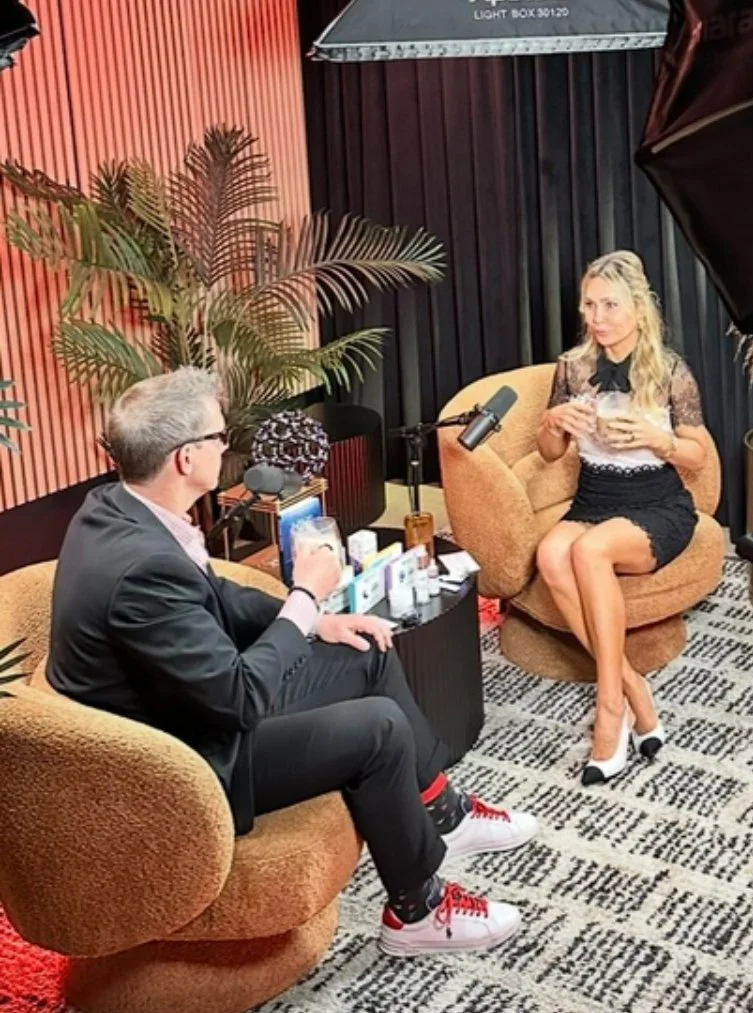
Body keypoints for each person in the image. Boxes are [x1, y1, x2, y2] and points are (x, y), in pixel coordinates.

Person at [46, 367, 537, 957]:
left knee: (366, 650)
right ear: (184, 458)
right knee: (377, 728)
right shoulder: (139, 571)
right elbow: (239, 700)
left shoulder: (119, 506)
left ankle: (442, 811)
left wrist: (318, 620)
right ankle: (418, 912)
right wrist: (304, 598)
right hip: (183, 762)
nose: (226, 446)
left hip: (194, 703)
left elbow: (215, 594)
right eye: (218, 436)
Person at [535, 250, 710, 786]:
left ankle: (610, 706)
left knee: (588, 551)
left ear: (638, 308)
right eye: (589, 304)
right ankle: (636, 686)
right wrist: (554, 422)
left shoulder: (670, 371)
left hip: (657, 502)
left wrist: (661, 440)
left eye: (609, 304)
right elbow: (546, 451)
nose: (597, 316)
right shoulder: (572, 367)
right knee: (550, 555)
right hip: (595, 498)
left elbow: (699, 455)